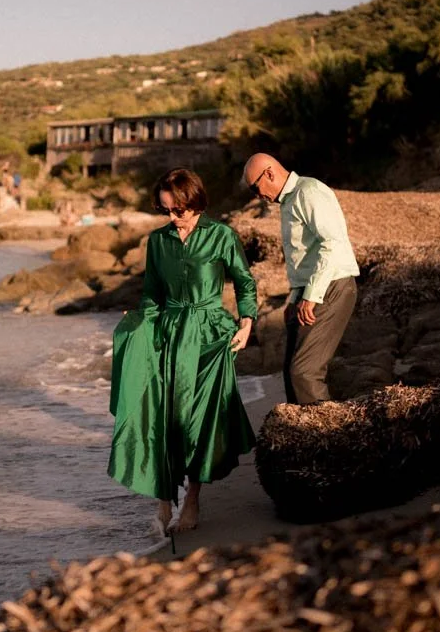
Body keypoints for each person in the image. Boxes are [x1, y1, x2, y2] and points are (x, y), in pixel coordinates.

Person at [108, 168, 257, 535]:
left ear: (195, 202)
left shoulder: (221, 235)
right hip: (168, 334)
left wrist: (247, 321)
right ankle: (163, 499)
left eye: (178, 210)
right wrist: (142, 321)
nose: (173, 218)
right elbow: (152, 292)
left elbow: (244, 281)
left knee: (198, 421)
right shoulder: (158, 241)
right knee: (161, 415)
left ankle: (192, 498)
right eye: (165, 211)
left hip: (209, 336)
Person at [241, 153, 359, 405]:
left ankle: (322, 438)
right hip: (309, 290)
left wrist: (311, 296)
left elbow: (332, 243)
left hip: (332, 286)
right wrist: (294, 299)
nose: (256, 194)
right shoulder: (288, 201)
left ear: (269, 173)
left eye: (255, 187)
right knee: (291, 373)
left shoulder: (309, 192)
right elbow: (302, 259)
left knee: (304, 373)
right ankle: (298, 435)